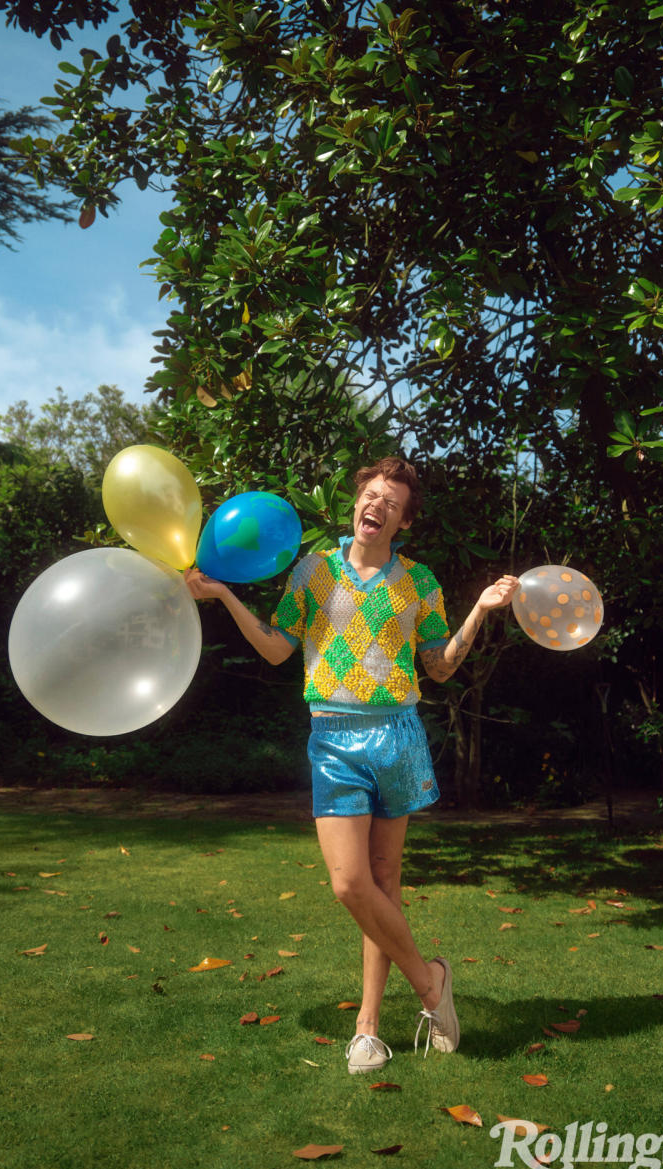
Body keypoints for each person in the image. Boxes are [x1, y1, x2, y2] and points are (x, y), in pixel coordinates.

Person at [184, 458, 519, 1074]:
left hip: (397, 737)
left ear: (404, 522)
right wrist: (226, 594)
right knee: (349, 885)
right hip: (333, 737)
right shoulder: (313, 571)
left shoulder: (419, 581)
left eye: (391, 503)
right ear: (355, 504)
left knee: (383, 887)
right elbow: (279, 647)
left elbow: (439, 667)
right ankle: (430, 982)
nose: (377, 507)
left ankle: (367, 1030)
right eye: (371, 496)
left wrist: (481, 610)